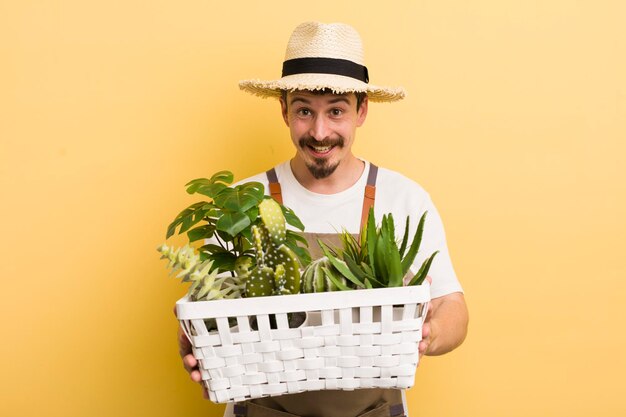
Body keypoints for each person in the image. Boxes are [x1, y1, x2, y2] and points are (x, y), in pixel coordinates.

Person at [178, 21, 469, 417]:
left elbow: (453, 306)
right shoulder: (241, 205)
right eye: (303, 111)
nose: (320, 132)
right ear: (283, 110)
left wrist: (428, 333)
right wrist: (197, 337)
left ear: (361, 110)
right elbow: (208, 299)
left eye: (336, 111)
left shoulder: (404, 198)